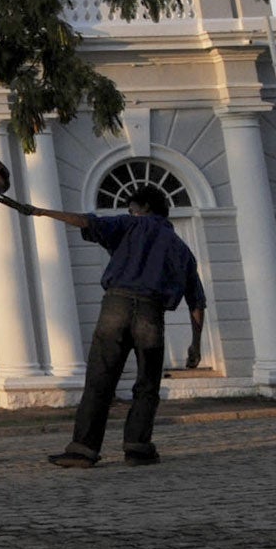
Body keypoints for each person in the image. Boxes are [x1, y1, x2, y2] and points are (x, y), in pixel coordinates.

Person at [15, 185, 206, 467]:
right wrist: (195, 344)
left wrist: (41, 211)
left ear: (143, 210)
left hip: (115, 308)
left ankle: (83, 450)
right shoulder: (182, 250)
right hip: (151, 315)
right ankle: (138, 447)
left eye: (132, 210)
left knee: (99, 381)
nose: (130, 213)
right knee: (147, 384)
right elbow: (196, 303)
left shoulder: (130, 224)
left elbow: (87, 221)